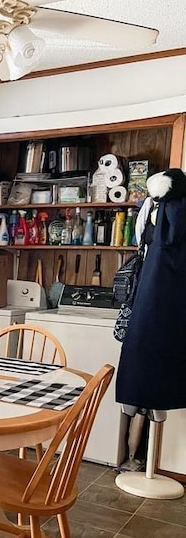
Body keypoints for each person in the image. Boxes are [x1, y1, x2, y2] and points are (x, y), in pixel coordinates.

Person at [116, 168, 186, 413]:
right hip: (174, 297)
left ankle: (135, 402)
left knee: (142, 349)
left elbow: (141, 244)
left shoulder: (155, 211)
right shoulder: (174, 212)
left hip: (151, 289)